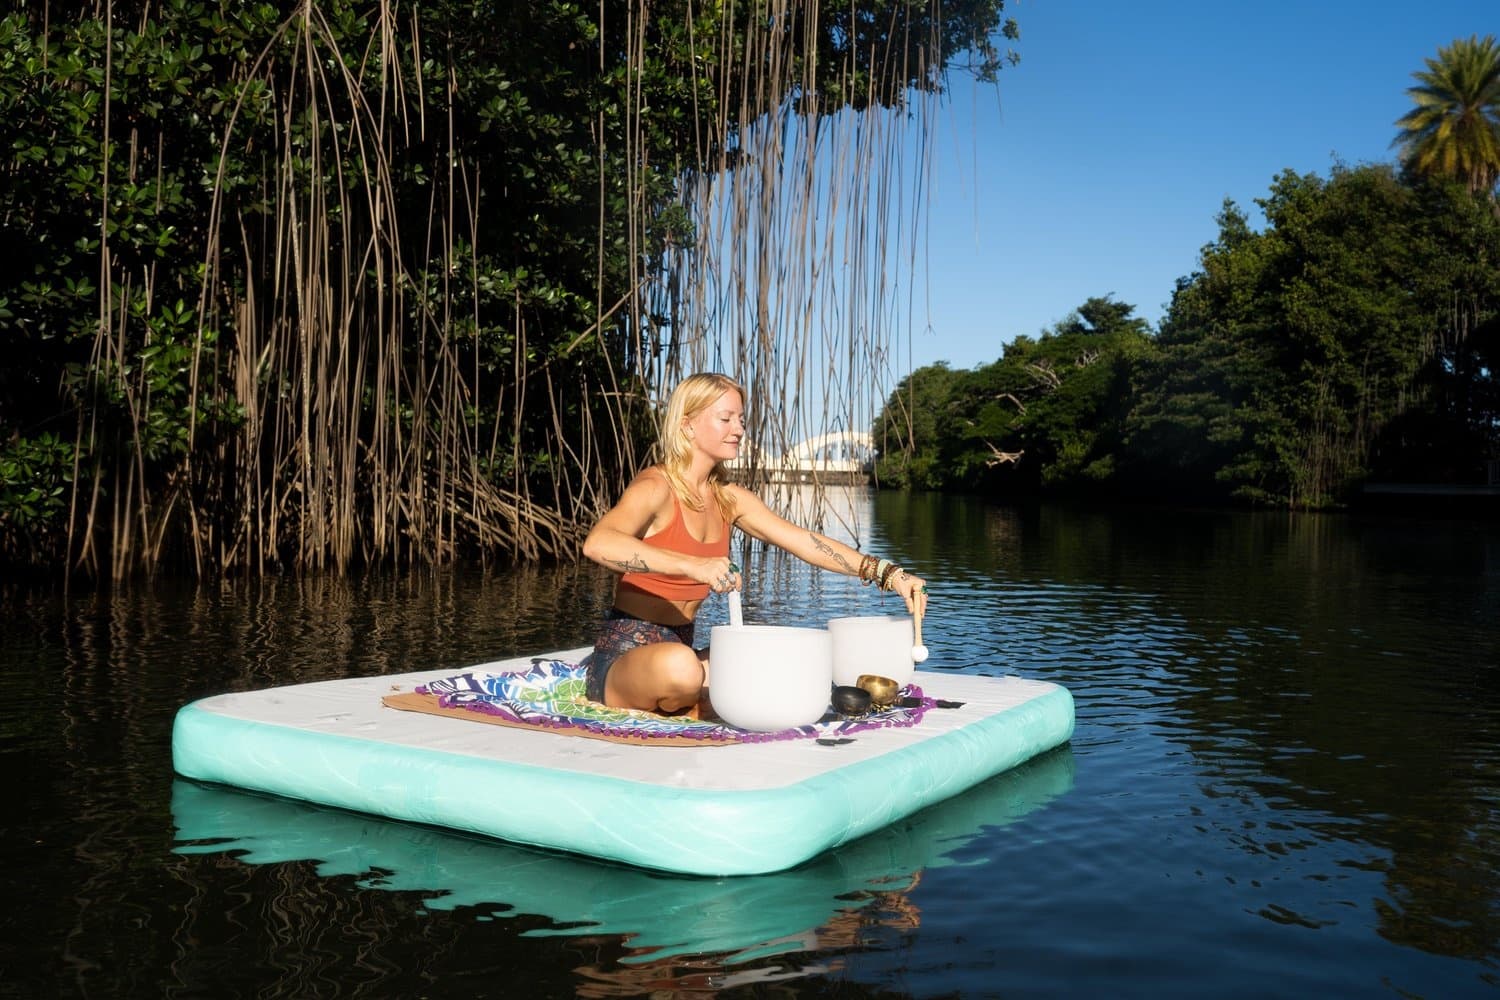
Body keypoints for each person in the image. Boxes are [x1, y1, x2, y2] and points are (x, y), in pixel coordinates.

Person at [580, 372, 929, 716]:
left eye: (741, 420)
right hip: (625, 658)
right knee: (683, 668)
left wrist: (887, 573)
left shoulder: (728, 498)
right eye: (726, 419)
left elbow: (804, 541)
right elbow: (598, 544)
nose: (738, 429)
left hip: (684, 650)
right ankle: (700, 702)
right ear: (687, 425)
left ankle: (699, 698)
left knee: (778, 656)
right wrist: (693, 565)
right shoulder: (655, 486)